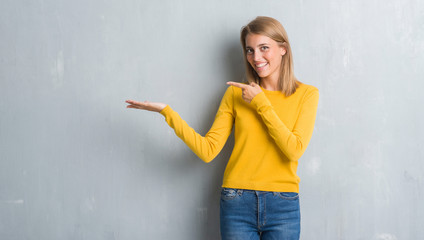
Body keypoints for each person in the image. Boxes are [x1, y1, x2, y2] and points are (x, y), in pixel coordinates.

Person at [125, 16, 319, 240]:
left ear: (283, 48)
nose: (256, 57)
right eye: (249, 50)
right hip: (237, 202)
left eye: (264, 48)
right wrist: (167, 112)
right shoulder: (235, 93)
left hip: (284, 204)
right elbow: (208, 151)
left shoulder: (307, 94)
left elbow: (294, 150)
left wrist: (261, 103)